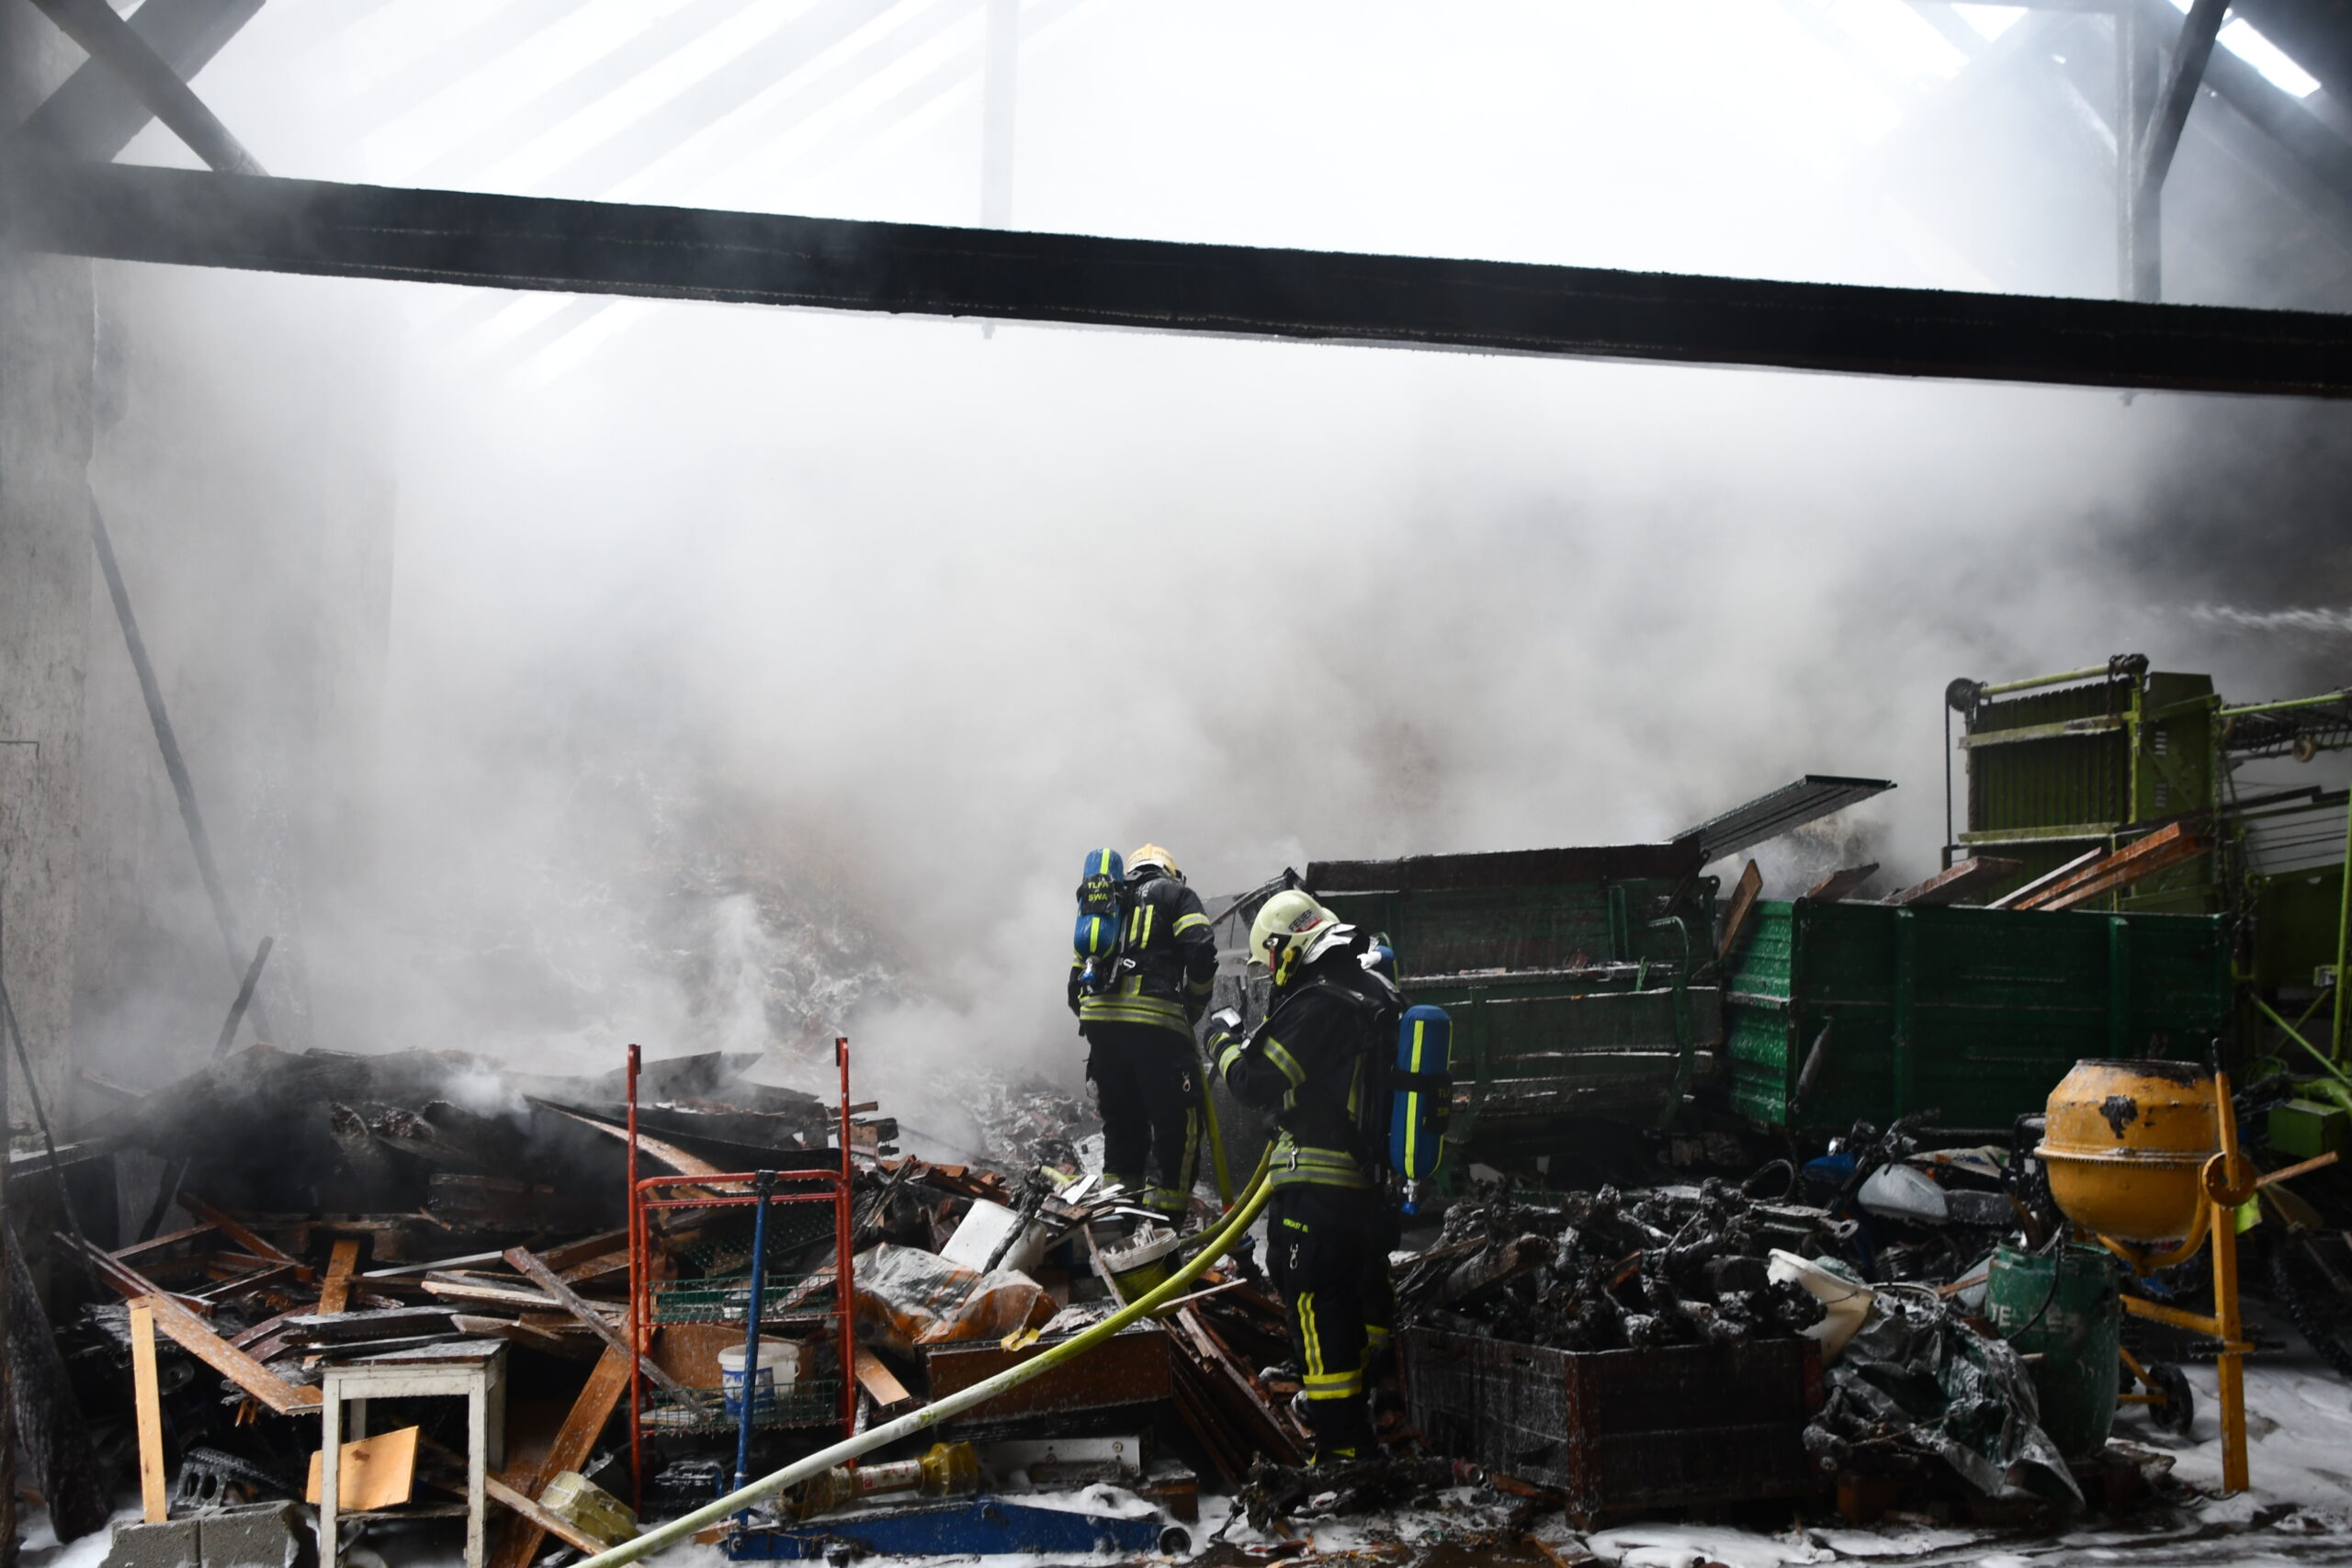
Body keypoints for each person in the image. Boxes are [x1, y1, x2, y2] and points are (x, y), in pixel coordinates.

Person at [1209, 888, 1400, 1463]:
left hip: (1318, 1187)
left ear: (1286, 948)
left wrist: (1221, 1040)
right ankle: (1370, 1402)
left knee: (1317, 1304)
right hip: (1367, 1186)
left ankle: (1343, 1448)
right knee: (1358, 1294)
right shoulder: (1376, 990)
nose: (1271, 974)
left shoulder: (1318, 1002)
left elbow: (1253, 1082)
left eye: (1269, 961)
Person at [1069, 844, 1216, 1226]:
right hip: (1157, 1028)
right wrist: (1191, 1008)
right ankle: (1165, 1228)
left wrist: (1105, 1024)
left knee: (1123, 1127)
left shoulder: (1104, 905)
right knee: (1178, 1126)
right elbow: (1202, 952)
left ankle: (1118, 1224)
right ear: (1170, 871)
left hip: (1102, 1031)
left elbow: (1074, 988)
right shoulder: (1176, 894)